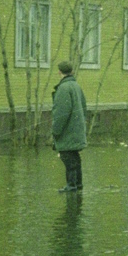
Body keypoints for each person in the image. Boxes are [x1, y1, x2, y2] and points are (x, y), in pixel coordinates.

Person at [51, 61, 87, 192]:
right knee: (75, 157)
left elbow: (61, 114)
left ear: (59, 72)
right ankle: (78, 184)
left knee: (67, 157)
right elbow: (84, 108)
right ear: (71, 71)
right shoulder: (76, 86)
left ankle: (71, 186)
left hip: (67, 132)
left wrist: (55, 131)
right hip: (76, 130)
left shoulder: (64, 88)